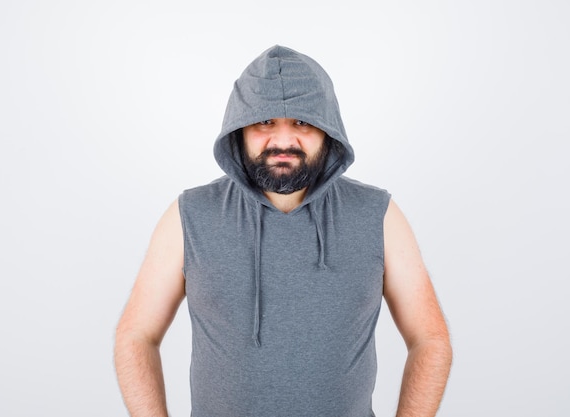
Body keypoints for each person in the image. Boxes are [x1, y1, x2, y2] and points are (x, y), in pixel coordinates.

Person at [114, 45, 452, 417]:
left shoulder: (378, 214)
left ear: (327, 129)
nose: (284, 142)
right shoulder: (189, 215)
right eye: (265, 122)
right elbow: (136, 336)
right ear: (239, 128)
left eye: (302, 122)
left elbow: (430, 340)